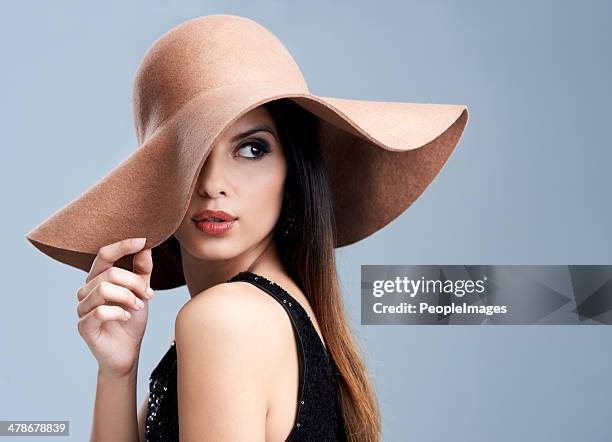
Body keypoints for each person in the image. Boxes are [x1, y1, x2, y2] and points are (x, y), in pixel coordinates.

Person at [25, 14, 468, 442]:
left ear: (292, 178)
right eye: (189, 153)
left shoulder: (226, 321)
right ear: (155, 185)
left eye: (252, 149)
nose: (214, 184)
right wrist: (118, 371)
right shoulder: (273, 315)